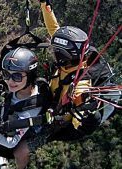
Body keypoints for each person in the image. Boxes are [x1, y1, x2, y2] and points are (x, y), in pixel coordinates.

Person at [39, 0, 104, 141]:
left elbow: (81, 99)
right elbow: (53, 28)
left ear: (63, 56)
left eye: (56, 51)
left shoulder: (80, 83)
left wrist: (88, 110)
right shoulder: (69, 64)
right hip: (51, 104)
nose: (53, 53)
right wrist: (45, 4)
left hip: (58, 121)